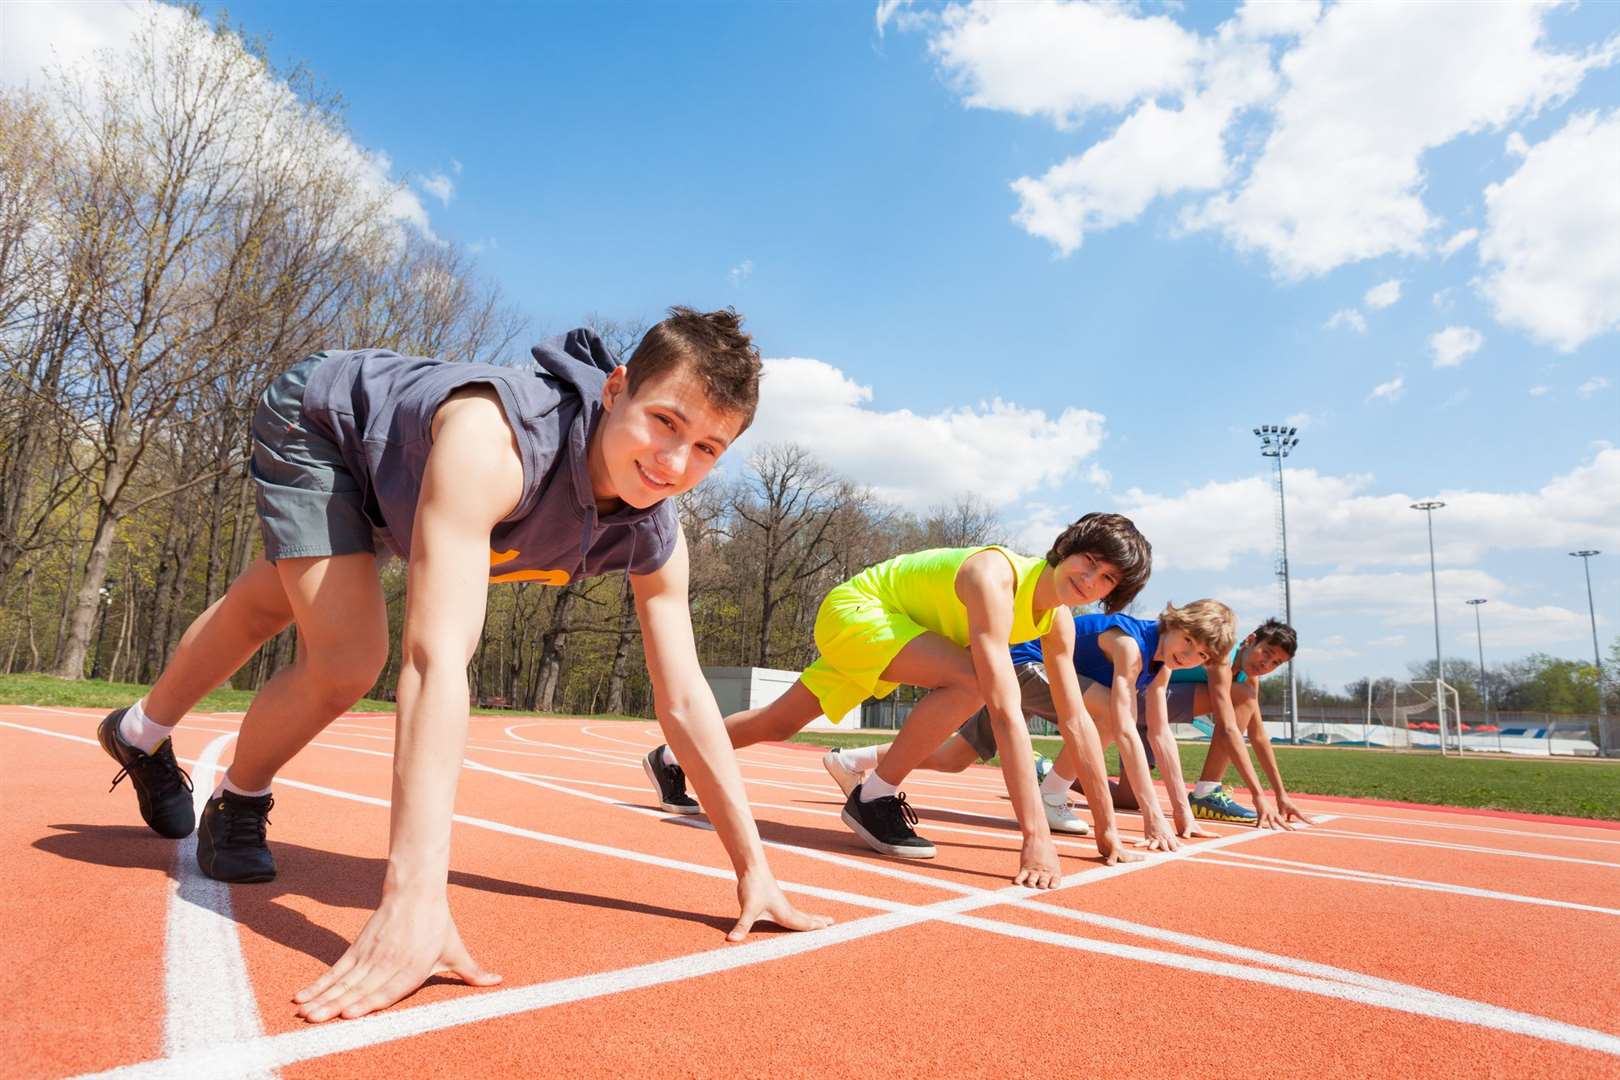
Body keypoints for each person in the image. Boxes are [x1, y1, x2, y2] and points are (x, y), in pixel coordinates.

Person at [95, 308, 830, 1023]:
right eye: (665, 421)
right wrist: (414, 898)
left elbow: (687, 697)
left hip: (405, 483)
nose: (674, 463)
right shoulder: (495, 442)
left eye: (708, 449)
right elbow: (435, 659)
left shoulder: (654, 529)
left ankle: (138, 730)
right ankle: (238, 801)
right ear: (614, 389)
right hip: (326, 426)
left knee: (269, 604)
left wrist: (752, 866)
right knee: (350, 658)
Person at [645, 513, 1154, 880]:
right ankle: (875, 795)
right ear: (1065, 549)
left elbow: (1079, 723)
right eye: (1088, 562)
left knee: (779, 723)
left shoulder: (1059, 623)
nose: (1090, 581)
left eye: (1107, 578)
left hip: (900, 633)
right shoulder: (996, 575)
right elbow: (1004, 710)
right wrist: (1035, 835)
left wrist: (1107, 830)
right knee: (975, 681)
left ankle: (671, 756)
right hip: (860, 612)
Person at [1117, 618, 1316, 828]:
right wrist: (1257, 794)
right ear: (1250, 640)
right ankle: (1207, 791)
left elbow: (1258, 736)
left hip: (1150, 715)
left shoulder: (1248, 680)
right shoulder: (1221, 655)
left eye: (1276, 663)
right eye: (1266, 652)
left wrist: (1280, 794)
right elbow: (1228, 729)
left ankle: (1079, 781)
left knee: (1128, 799)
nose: (1266, 664)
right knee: (1243, 695)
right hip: (1139, 699)